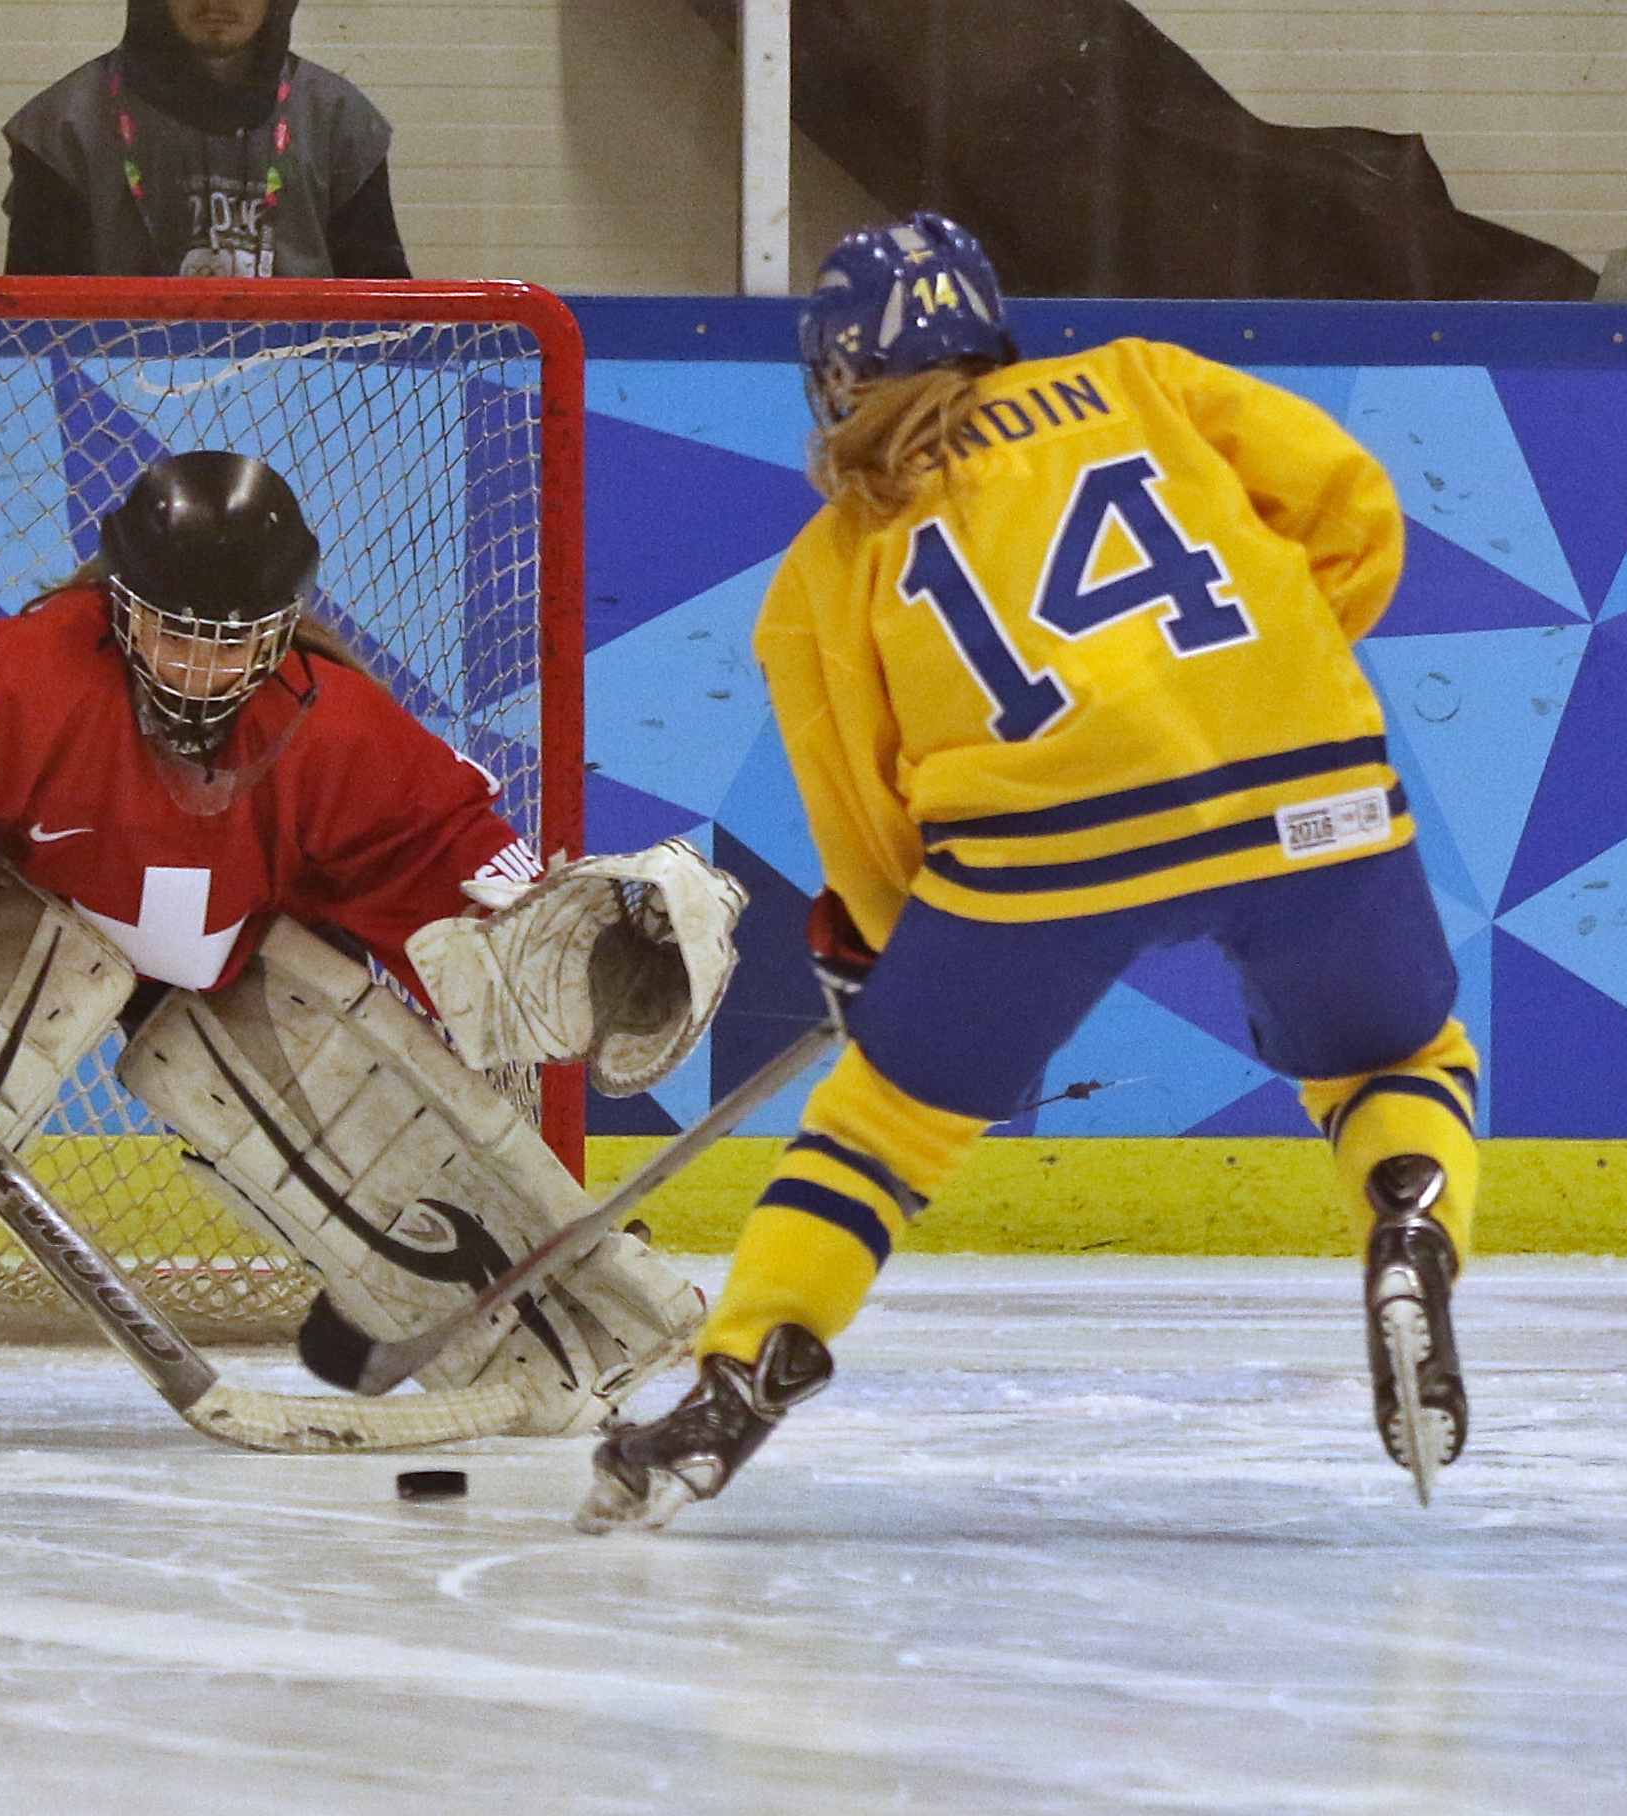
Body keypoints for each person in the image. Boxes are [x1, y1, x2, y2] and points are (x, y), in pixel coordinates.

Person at [577, 213, 1481, 1534]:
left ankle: (735, 1387)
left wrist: (897, 949)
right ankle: (1410, 1223)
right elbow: (1351, 510)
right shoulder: (1141, 379)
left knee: (880, 1134)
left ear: (836, 377)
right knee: (1396, 1058)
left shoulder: (833, 557)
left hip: (1042, 857)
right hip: (1307, 786)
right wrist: (1257, 687)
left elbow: (866, 823)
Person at [0, 450, 745, 1445]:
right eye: (172, 634)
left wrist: (584, 936)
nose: (198, 669)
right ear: (118, 605)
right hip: (28, 935)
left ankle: (569, 1329)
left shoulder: (338, 730)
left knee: (339, 1065)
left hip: (234, 969)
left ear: (285, 628)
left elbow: (457, 859)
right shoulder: (28, 676)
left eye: (233, 642)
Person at [2, 0, 411, 278]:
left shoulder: (339, 122)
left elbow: (388, 330)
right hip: (112, 397)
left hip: (305, 394)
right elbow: (36, 336)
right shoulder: (63, 128)